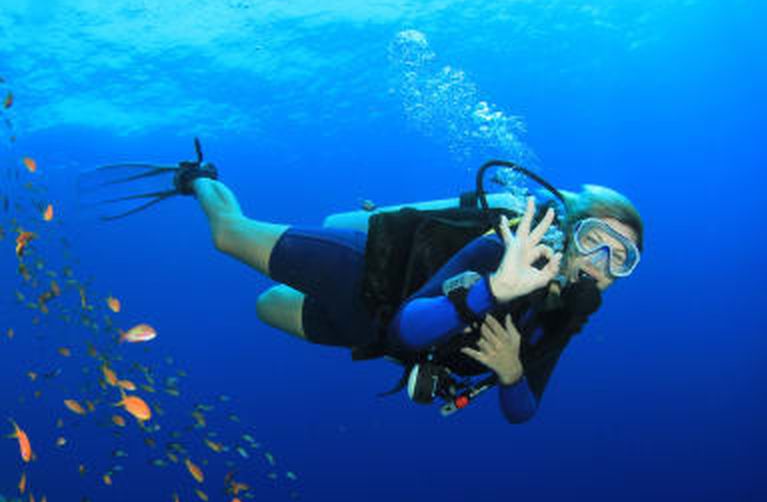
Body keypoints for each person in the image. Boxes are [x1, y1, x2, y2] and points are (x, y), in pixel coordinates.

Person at [90, 143, 644, 424]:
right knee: (229, 237)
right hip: (369, 274)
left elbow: (522, 411)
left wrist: (512, 370)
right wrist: (493, 290)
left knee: (266, 306)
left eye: (622, 259)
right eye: (595, 239)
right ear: (568, 232)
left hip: (367, 331)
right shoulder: (502, 247)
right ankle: (198, 178)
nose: (602, 262)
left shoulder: (560, 317)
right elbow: (408, 326)